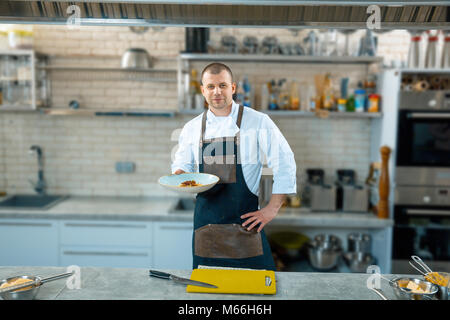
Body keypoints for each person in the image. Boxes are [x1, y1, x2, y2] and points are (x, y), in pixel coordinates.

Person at [171, 62, 296, 270]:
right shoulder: (191, 128)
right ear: (203, 90)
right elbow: (181, 166)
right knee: (208, 293)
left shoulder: (258, 121)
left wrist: (271, 209)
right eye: (210, 86)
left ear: (233, 88)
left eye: (223, 85)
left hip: (245, 230)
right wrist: (180, 176)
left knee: (254, 295)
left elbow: (285, 162)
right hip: (206, 232)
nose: (217, 92)